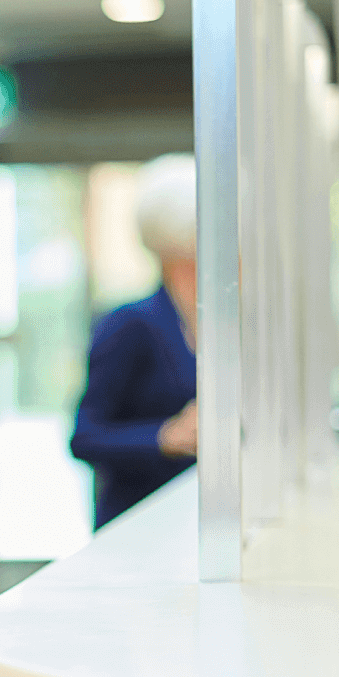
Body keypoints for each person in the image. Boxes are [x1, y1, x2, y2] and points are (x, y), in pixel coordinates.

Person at [72, 153, 201, 529]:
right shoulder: (129, 324)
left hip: (194, 526)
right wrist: (167, 437)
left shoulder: (224, 327)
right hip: (136, 526)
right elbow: (85, 437)